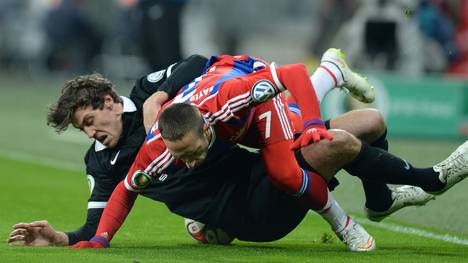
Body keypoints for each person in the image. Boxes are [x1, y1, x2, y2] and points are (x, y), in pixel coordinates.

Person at [70, 49, 464, 252]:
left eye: (89, 121)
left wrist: (312, 125)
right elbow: (126, 188)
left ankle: (423, 181)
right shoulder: (158, 144)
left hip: (247, 88)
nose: (188, 164)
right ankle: (377, 204)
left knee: (290, 169)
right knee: (372, 122)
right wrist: (100, 238)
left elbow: (286, 74)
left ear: (109, 102)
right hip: (233, 143)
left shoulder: (227, 98)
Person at [7, 54, 208, 246]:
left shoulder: (146, 92)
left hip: (232, 167)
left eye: (89, 121)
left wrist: (157, 98)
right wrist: (59, 238)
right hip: (217, 210)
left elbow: (200, 63)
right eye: (82, 128)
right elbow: (96, 227)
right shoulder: (99, 162)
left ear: (108, 102)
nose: (89, 133)